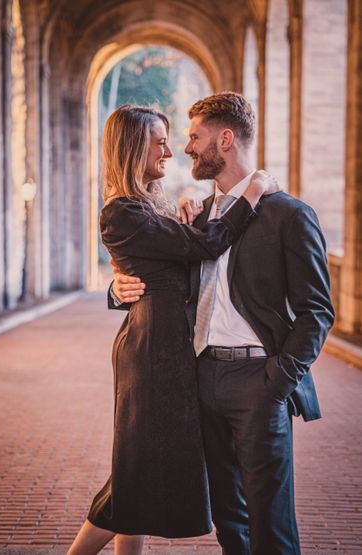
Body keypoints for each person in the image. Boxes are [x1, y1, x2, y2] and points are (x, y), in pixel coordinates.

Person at [111, 92, 335, 555]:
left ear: (226, 139)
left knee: (269, 519)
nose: (186, 148)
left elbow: (317, 311)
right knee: (229, 518)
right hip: (199, 379)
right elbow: (161, 276)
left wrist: (277, 380)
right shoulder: (195, 218)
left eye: (194, 137)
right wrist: (118, 288)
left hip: (259, 380)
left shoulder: (289, 214)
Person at [67, 104, 277, 555]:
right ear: (132, 146)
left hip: (167, 347)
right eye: (159, 140)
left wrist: (188, 208)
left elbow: (168, 265)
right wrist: (253, 192)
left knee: (136, 471)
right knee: (135, 472)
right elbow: (208, 244)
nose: (169, 149)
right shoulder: (121, 211)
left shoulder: (150, 204)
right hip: (150, 354)